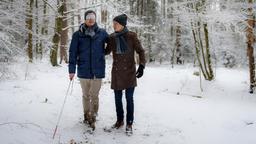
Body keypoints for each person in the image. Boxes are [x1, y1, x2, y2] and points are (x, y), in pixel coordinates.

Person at [105, 14, 146, 134]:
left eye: (116, 24)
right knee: (117, 99)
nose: (114, 25)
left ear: (122, 25)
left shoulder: (131, 36)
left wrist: (142, 65)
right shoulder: (112, 37)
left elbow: (141, 51)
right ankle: (119, 121)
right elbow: (106, 51)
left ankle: (129, 123)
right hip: (117, 72)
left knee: (129, 98)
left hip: (129, 72)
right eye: (113, 23)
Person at [68, 10, 108, 130]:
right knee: (86, 95)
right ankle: (86, 115)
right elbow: (72, 53)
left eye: (93, 17)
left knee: (94, 95)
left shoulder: (102, 33)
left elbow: (112, 44)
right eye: (88, 17)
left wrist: (104, 53)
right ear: (85, 19)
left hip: (97, 70)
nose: (90, 19)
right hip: (84, 70)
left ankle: (93, 116)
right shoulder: (77, 35)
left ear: (95, 19)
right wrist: (71, 70)